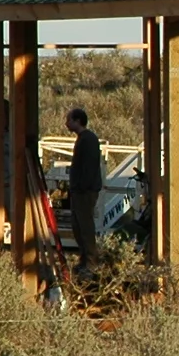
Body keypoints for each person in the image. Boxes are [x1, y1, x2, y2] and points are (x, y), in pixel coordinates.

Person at [65, 107, 103, 268]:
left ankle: (90, 262)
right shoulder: (84, 138)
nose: (66, 123)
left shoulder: (88, 139)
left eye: (69, 120)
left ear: (77, 121)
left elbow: (88, 166)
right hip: (80, 190)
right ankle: (84, 259)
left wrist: (81, 186)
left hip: (85, 192)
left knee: (85, 226)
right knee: (78, 226)